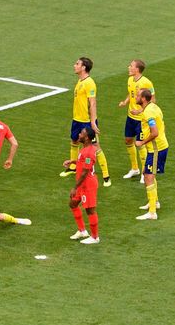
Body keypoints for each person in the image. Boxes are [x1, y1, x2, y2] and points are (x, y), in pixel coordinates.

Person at [60, 57, 111, 186]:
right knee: (74, 141)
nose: (74, 65)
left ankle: (106, 176)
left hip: (87, 121)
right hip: (77, 119)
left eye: (77, 64)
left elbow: (93, 103)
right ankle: (73, 168)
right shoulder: (80, 81)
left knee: (95, 147)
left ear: (83, 67)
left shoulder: (89, 83)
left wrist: (93, 122)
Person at [119, 59, 154, 180]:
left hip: (141, 120)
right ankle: (135, 168)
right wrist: (125, 102)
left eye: (131, 66)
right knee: (128, 140)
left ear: (137, 69)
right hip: (130, 117)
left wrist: (140, 111)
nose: (129, 67)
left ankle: (145, 172)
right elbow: (131, 93)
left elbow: (153, 100)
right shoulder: (130, 79)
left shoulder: (146, 83)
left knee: (141, 145)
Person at [135, 88, 166, 220]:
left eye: (137, 95)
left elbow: (155, 132)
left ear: (143, 99)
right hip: (158, 147)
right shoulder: (153, 106)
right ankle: (155, 202)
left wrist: (142, 142)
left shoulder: (148, 113)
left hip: (156, 149)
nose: (135, 97)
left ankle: (152, 212)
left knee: (148, 176)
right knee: (148, 174)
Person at [66, 127, 100, 244]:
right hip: (82, 184)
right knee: (73, 204)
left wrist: (75, 187)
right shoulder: (85, 149)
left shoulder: (89, 152)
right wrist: (72, 162)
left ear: (86, 138)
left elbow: (85, 171)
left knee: (90, 210)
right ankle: (82, 231)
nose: (79, 135)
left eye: (81, 134)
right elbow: (83, 162)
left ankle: (95, 237)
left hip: (87, 185)